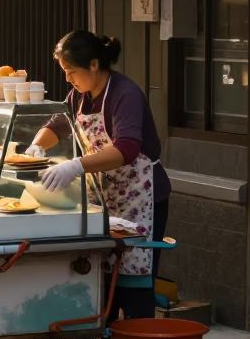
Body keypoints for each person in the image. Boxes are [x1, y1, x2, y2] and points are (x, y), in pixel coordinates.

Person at [31, 31, 171, 324]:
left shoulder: (125, 94)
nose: (68, 79)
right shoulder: (78, 95)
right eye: (65, 72)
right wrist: (36, 146)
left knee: (133, 280)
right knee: (101, 279)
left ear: (94, 64)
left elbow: (127, 149)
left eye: (72, 72)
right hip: (105, 198)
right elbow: (58, 124)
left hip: (141, 199)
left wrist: (75, 166)